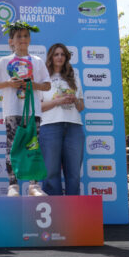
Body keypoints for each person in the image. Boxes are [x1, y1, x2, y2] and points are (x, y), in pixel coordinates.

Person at [0, 21, 51, 197]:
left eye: (25, 36)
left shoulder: (37, 61)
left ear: (30, 39)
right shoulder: (4, 61)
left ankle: (33, 186)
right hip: (11, 110)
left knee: (33, 145)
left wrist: (32, 84)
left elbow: (47, 85)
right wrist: (9, 83)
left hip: (32, 110)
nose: (23, 39)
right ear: (11, 41)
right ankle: (13, 185)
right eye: (18, 36)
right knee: (12, 146)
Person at [39, 43, 85, 195]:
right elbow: (38, 107)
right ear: (51, 57)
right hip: (50, 127)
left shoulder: (74, 77)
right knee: (50, 173)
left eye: (63, 54)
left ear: (66, 57)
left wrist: (74, 99)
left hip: (74, 127)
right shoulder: (42, 79)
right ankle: (54, 208)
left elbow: (81, 107)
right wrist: (57, 101)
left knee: (74, 174)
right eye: (56, 54)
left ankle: (73, 208)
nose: (59, 57)